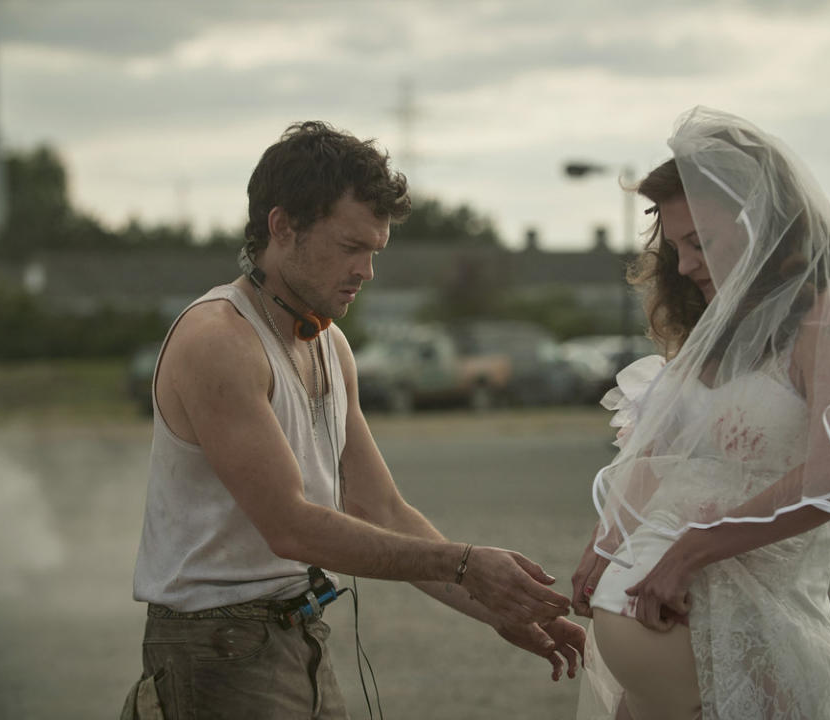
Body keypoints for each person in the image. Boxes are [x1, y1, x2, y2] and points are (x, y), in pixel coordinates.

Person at [122, 121, 584, 719]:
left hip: (299, 636)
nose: (367, 271)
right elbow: (290, 528)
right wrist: (466, 564)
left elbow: (380, 508)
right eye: (350, 247)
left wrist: (497, 607)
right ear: (282, 227)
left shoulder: (330, 344)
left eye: (374, 250)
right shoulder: (220, 340)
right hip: (217, 652)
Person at [571, 107, 830, 720]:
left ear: (767, 226)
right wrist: (607, 540)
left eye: (701, 242)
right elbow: (666, 455)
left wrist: (694, 550)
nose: (687, 265)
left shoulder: (828, 316)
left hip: (744, 622)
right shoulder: (716, 334)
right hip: (662, 635)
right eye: (676, 247)